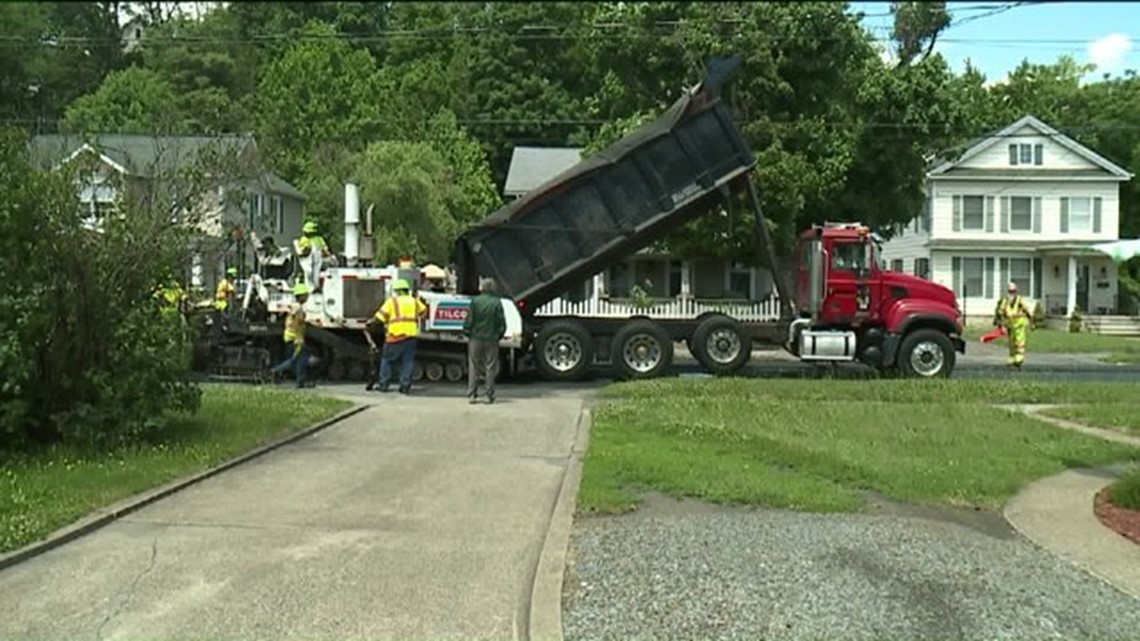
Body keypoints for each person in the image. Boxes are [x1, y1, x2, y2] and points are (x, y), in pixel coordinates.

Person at [369, 278, 428, 394]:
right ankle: (405, 386)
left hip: (394, 336)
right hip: (410, 336)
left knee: (387, 360)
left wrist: (370, 324)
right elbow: (424, 313)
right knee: (408, 362)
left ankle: (384, 384)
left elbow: (379, 318)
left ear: (397, 291)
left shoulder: (392, 302)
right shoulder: (414, 301)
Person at [463, 277, 508, 404]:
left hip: (475, 338)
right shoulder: (497, 302)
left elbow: (469, 320)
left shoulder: (475, 301)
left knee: (473, 365)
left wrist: (467, 332)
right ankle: (488, 396)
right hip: (491, 339)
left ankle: (472, 395)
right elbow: (502, 324)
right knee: (490, 367)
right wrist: (498, 335)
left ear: (482, 288)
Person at [271, 282, 313, 388]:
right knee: (296, 360)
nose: (307, 296)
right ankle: (276, 371)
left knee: (298, 360)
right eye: (306, 294)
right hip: (295, 338)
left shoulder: (295, 307)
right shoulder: (298, 309)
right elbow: (298, 324)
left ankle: (301, 381)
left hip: (291, 336)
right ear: (301, 296)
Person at [994, 281, 1032, 368]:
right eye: (1010, 291)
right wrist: (998, 320)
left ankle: (1019, 356)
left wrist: (1031, 319)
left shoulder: (1019, 300)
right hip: (1010, 325)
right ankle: (1012, 356)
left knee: (1019, 340)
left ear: (1016, 291)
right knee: (1011, 342)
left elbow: (1027, 310)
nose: (1012, 293)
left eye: (1013, 291)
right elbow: (1000, 311)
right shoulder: (1005, 301)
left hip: (1019, 324)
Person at [294, 220, 331, 290]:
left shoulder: (319, 239)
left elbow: (325, 250)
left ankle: (315, 287)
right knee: (309, 272)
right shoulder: (304, 239)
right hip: (306, 259)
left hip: (317, 258)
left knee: (315, 273)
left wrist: (326, 254)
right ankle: (309, 288)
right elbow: (302, 251)